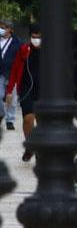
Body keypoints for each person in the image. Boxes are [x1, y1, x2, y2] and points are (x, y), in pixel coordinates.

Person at [5, 25, 40, 162]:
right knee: (28, 119)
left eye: (39, 37)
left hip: (45, 89)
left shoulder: (51, 52)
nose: (37, 40)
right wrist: (9, 91)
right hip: (27, 89)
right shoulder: (24, 50)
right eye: (34, 37)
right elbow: (14, 70)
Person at [0, 21, 20, 131]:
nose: (1, 29)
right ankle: (1, 114)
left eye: (3, 28)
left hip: (12, 74)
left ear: (10, 30)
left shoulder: (17, 42)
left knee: (12, 99)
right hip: (0, 74)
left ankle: (10, 120)